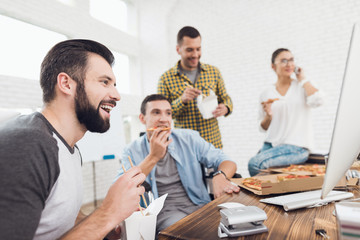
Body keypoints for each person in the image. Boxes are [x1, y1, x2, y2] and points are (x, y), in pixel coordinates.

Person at [0, 39, 146, 240]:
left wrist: (106, 227)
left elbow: (62, 218)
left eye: (114, 85)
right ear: (66, 84)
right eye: (105, 82)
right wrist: (106, 214)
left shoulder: (69, 148)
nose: (116, 95)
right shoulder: (27, 145)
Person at [115, 94, 240, 232]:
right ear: (142, 118)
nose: (164, 119)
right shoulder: (131, 151)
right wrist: (153, 157)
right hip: (165, 213)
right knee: (190, 232)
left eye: (168, 113)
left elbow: (227, 161)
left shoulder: (189, 138)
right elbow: (121, 189)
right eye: (156, 113)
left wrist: (220, 176)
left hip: (200, 206)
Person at [248, 48, 324, 176]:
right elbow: (263, 127)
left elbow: (318, 100)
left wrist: (303, 79)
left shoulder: (302, 86)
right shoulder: (266, 93)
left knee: (254, 164)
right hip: (270, 145)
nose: (289, 64)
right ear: (273, 66)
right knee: (257, 175)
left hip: (296, 147)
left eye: (291, 60)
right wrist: (268, 116)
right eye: (283, 61)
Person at [158, 26, 233, 149]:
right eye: (189, 50)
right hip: (185, 146)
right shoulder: (165, 79)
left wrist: (226, 107)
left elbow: (226, 98)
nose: (195, 54)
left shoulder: (213, 72)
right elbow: (163, 116)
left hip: (213, 144)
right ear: (178, 50)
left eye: (198, 49)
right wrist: (181, 100)